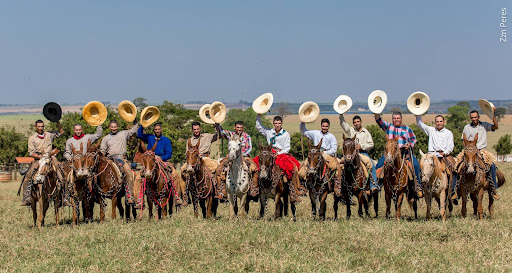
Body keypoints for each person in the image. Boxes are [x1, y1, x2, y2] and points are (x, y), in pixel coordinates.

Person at [255, 115, 305, 203]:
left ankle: (293, 191)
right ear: (273, 123)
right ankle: (255, 188)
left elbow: (287, 148)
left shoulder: (285, 134)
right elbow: (259, 127)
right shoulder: (269, 132)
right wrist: (258, 116)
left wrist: (278, 153)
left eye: (279, 123)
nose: (277, 125)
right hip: (269, 153)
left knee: (291, 167)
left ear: (281, 124)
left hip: (281, 154)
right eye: (275, 123)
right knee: (256, 165)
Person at [375, 112, 423, 198]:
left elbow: (413, 139)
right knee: (379, 165)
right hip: (391, 153)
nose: (396, 120)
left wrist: (409, 144)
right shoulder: (389, 127)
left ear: (401, 119)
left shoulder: (407, 129)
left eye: (398, 118)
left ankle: (418, 186)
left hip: (404, 152)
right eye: (394, 118)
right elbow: (379, 121)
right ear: (392, 119)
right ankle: (377, 185)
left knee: (416, 165)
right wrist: (376, 112)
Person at [455, 109, 500, 200]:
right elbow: (464, 141)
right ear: (470, 118)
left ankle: (493, 189)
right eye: (472, 117)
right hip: (469, 150)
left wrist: (493, 115)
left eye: (475, 117)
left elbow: (495, 127)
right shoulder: (466, 127)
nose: (474, 119)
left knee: (492, 166)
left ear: (478, 117)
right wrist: (467, 149)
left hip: (482, 151)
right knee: (457, 166)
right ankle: (457, 189)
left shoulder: (484, 125)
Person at [20, 119, 64, 206]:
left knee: (62, 171)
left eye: (42, 126)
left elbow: (61, 132)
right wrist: (40, 157)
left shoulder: (49, 134)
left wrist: (57, 120)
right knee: (28, 175)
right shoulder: (32, 138)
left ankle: (64, 197)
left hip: (51, 157)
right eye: (39, 126)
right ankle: (27, 197)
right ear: (35, 127)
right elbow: (31, 153)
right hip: (38, 158)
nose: (41, 128)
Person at [62, 123, 103, 206]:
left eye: (79, 129)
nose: (78, 131)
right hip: (74, 163)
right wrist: (71, 159)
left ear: (82, 130)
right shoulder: (70, 141)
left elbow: (99, 135)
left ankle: (94, 195)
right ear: (74, 130)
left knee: (93, 176)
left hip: (85, 163)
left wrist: (99, 123)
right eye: (76, 130)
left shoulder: (88, 137)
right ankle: (66, 196)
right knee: (65, 176)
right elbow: (66, 152)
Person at [215, 121, 258, 198]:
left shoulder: (247, 136)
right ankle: (222, 190)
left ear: (243, 128)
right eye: (238, 127)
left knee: (254, 168)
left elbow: (249, 148)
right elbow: (222, 131)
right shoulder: (231, 135)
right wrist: (216, 123)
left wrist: (241, 155)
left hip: (245, 157)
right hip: (231, 157)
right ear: (234, 128)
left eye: (241, 128)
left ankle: (253, 188)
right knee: (219, 169)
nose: (239, 129)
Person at [100, 119, 138, 206]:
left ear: (118, 127)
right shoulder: (105, 138)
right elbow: (102, 151)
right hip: (110, 160)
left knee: (128, 173)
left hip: (122, 159)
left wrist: (134, 119)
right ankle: (101, 193)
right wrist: (105, 159)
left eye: (115, 127)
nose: (114, 128)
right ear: (109, 127)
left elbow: (134, 129)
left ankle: (130, 195)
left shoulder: (124, 133)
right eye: (112, 127)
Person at [416, 114, 456, 197]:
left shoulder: (448, 133)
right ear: (435, 122)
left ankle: (453, 190)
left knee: (454, 167)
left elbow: (450, 146)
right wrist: (418, 113)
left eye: (440, 121)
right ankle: (421, 188)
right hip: (431, 155)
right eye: (437, 121)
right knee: (422, 167)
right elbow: (420, 124)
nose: (439, 123)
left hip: (444, 155)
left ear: (444, 122)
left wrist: (445, 153)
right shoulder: (431, 130)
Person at [339, 114, 378, 193]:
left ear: (361, 122)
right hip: (352, 154)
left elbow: (371, 144)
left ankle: (373, 185)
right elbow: (344, 125)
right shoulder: (351, 130)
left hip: (363, 153)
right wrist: (341, 115)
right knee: (340, 164)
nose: (356, 123)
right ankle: (341, 186)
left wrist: (362, 146)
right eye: (355, 122)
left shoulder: (365, 132)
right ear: (353, 123)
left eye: (358, 121)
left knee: (371, 165)